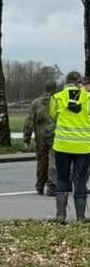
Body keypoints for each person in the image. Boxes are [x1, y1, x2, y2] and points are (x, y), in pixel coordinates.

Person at [48, 71, 90, 222]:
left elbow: (53, 116)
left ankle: (60, 215)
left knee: (62, 178)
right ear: (79, 82)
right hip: (83, 147)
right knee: (80, 180)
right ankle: (80, 217)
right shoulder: (88, 97)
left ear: (66, 82)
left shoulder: (57, 97)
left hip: (62, 145)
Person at [23, 80, 58, 196]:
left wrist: (26, 139)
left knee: (42, 161)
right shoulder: (58, 101)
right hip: (55, 135)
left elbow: (29, 122)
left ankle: (40, 184)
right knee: (54, 160)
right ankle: (52, 185)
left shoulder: (36, 103)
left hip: (41, 136)